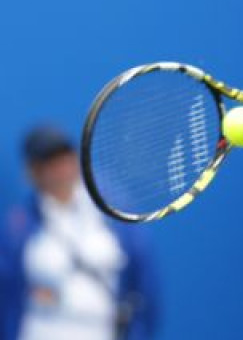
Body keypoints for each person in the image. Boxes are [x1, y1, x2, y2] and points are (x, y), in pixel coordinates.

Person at [0, 125, 160, 340]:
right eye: (49, 162)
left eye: (64, 157)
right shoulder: (17, 225)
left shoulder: (115, 212)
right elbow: (6, 292)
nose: (60, 168)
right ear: (33, 172)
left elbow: (144, 284)